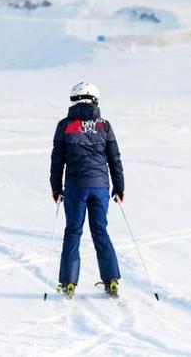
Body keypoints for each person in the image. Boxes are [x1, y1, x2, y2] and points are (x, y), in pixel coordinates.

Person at [50, 82, 124, 299]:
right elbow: (114, 159)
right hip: (100, 187)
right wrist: (120, 187)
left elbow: (57, 160)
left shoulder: (64, 125)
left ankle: (68, 283)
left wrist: (56, 188)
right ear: (95, 99)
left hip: (75, 187)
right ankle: (111, 280)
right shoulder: (105, 126)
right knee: (100, 231)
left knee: (73, 232)